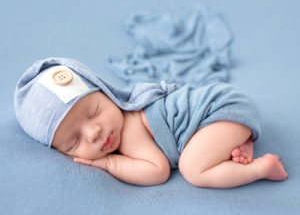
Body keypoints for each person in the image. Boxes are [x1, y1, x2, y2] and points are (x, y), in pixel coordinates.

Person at [14, 57, 288, 188]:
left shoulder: (132, 125)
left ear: (107, 93)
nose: (95, 132)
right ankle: (239, 142)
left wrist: (109, 163)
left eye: (94, 111)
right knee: (202, 149)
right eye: (75, 141)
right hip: (221, 115)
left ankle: (260, 170)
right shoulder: (113, 128)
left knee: (193, 169)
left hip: (220, 108)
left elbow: (157, 171)